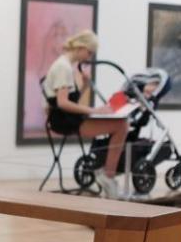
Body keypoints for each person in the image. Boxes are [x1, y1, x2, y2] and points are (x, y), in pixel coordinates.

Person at [43, 30, 130, 199]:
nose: (89, 57)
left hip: (67, 117)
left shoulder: (66, 66)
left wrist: (84, 85)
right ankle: (108, 176)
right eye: (89, 52)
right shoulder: (63, 67)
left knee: (120, 124)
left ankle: (105, 172)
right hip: (63, 120)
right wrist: (95, 111)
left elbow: (70, 100)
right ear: (81, 47)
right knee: (122, 125)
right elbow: (62, 103)